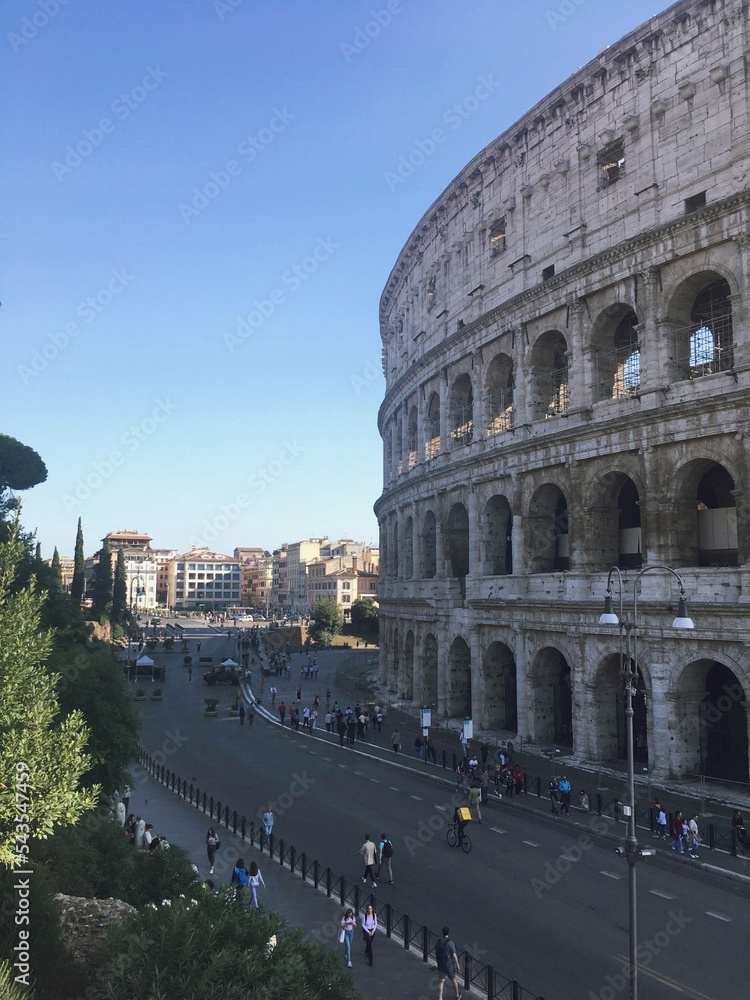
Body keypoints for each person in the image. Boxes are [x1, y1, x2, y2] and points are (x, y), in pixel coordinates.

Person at [436, 926, 462, 1000]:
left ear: (442, 932)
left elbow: (436, 951)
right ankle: (457, 995)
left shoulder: (438, 941)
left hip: (441, 963)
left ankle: (440, 998)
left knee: (441, 981)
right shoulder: (450, 943)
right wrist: (457, 964)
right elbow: (454, 955)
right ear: (449, 933)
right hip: (449, 964)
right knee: (453, 979)